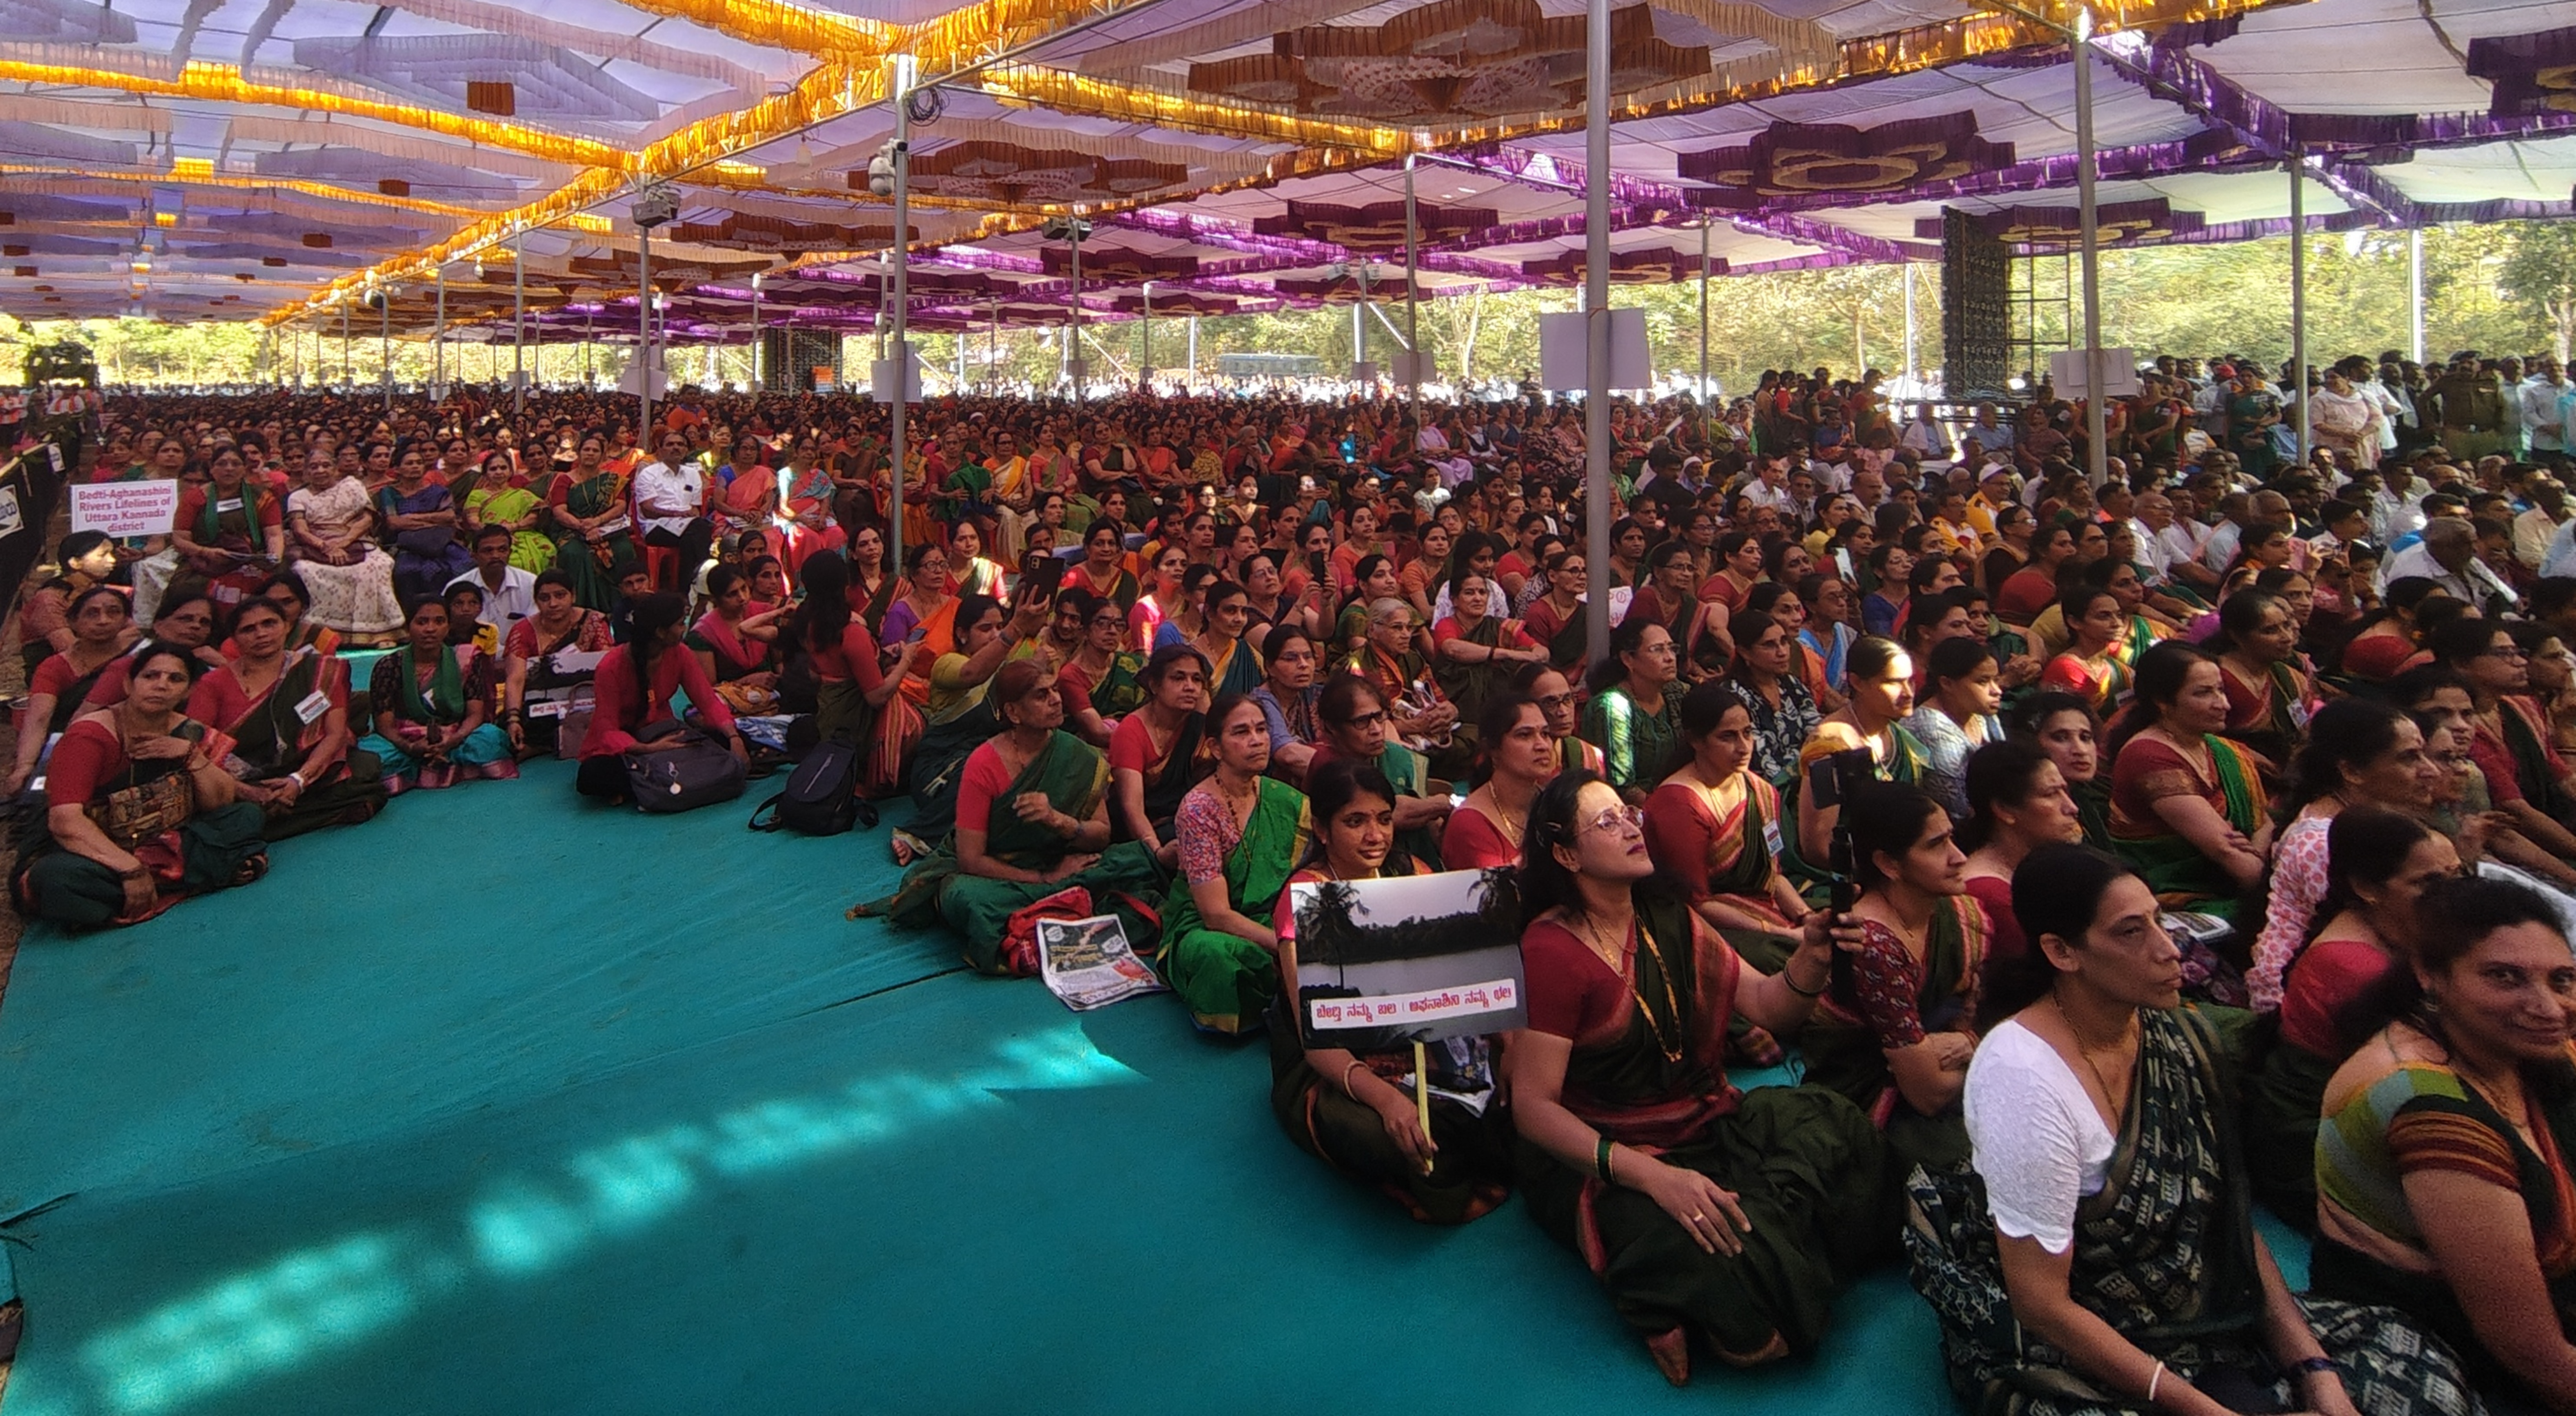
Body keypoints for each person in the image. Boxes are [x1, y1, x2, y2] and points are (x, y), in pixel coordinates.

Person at [1907, 843, 2478, 1416]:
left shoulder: (2174, 1037)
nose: (2167, 947)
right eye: (2132, 932)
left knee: (2412, 1363)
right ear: (2062, 951)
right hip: (2080, 1339)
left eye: (2159, 919)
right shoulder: (2022, 1076)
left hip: (2204, 1312)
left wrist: (2314, 1369)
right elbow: (2041, 1303)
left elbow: (2223, 1219)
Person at [1512, 770, 1892, 1383]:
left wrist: (1814, 956)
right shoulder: (1551, 951)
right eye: (1605, 822)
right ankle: (1664, 1291)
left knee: (1839, 1126)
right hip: (1604, 1150)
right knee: (1758, 1330)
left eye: (1625, 813)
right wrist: (1657, 1178)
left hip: (1705, 1118)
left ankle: (1764, 1252)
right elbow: (1532, 1108)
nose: (1630, 826)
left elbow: (1771, 1006)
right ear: (1565, 853)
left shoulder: (1669, 918)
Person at [2308, 874, 2576, 1412]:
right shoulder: (2428, 1106)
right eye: (2506, 977)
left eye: (2563, 980)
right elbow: (2530, 1352)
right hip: (2459, 1354)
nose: (2548, 1005)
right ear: (2431, 975)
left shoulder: (2528, 1052)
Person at [1268, 757, 1509, 1224]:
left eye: (1383, 819)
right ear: (1322, 829)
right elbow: (1318, 1043)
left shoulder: (1413, 872)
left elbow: (1471, 974)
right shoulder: (1306, 903)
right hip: (1339, 1062)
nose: (1375, 835)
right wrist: (1388, 1100)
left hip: (1430, 1040)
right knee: (1384, 1133)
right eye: (1354, 822)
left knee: (1524, 1083)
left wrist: (1511, 1043)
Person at [855, 659, 1165, 973]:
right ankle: (1061, 905)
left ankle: (1049, 910)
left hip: (1063, 860)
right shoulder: (983, 764)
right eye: (1041, 695)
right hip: (1003, 872)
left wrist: (1058, 821)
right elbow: (971, 860)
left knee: (1138, 863)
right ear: (1014, 712)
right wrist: (1045, 879)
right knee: (962, 897)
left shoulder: (1080, 755)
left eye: (1056, 690)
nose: (1057, 699)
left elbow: (1102, 834)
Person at [2244, 809, 2459, 1233]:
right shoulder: (2351, 967)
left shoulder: (2401, 934)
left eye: (2456, 875)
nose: (2451, 894)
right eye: (2429, 883)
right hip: (2313, 1152)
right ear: (2366, 888)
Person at [9, 640, 268, 929]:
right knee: (55, 878)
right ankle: (196, 876)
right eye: (150, 676)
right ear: (129, 685)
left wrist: (190, 755)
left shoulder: (187, 730)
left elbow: (219, 803)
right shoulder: (90, 736)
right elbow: (65, 822)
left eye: (176, 679)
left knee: (246, 817)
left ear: (190, 690)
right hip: (98, 850)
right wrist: (130, 869)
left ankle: (154, 887)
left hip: (162, 840)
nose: (162, 685)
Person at [1801, 781, 1988, 1172]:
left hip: (1941, 1068)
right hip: (1872, 1098)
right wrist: (1985, 1056)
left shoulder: (1962, 914)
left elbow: (1984, 1006)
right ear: (1889, 864)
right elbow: (1928, 1093)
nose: (1958, 857)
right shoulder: (1873, 946)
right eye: (1936, 846)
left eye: (1952, 839)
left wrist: (1969, 1042)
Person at [2248, 700, 2442, 1012]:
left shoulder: (2373, 820)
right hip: (2305, 999)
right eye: (2409, 758)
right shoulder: (2319, 843)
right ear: (2351, 771)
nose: (2431, 771)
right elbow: (2395, 927)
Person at [1157, 692, 1310, 1034]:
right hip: (1207, 923)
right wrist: (1287, 945)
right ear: (1216, 748)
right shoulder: (1199, 809)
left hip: (1270, 914)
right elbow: (1216, 915)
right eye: (1241, 733)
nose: (1256, 740)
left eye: (1261, 729)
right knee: (1218, 958)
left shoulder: (1280, 796)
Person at [186, 596, 384, 839]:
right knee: (237, 814)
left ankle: (277, 812)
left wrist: (298, 780)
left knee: (366, 767)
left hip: (302, 770)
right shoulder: (213, 684)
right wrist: (248, 791)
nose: (261, 634)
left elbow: (335, 733)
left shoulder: (322, 669)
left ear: (287, 626)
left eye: (269, 624)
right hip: (240, 780)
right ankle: (285, 813)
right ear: (234, 640)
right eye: (249, 629)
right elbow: (196, 751)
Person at [2105, 641, 2272, 927]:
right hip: (2176, 899)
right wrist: (2281, 898)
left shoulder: (2223, 750)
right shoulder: (2149, 757)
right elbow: (2227, 851)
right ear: (2163, 702)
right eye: (2204, 693)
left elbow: (2264, 824)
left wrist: (2255, 851)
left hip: (2243, 876)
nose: (2224, 704)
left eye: (2220, 690)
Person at [1644, 680, 1812, 962]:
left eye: (1748, 733)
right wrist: (1777, 931)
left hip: (1763, 911)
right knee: (1782, 960)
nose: (1744, 747)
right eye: (1728, 737)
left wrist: (1806, 918)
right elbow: (1697, 902)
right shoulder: (1678, 804)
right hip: (1702, 925)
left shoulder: (1760, 792)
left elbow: (1773, 876)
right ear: (1696, 741)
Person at [573, 592, 746, 802]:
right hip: (626, 743)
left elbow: (708, 702)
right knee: (592, 775)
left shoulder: (681, 653)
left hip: (663, 732)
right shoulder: (610, 668)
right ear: (661, 632)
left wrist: (733, 737)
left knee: (730, 738)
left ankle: (650, 784)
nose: (685, 629)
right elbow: (607, 728)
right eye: (681, 624)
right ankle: (672, 779)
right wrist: (648, 749)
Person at [359, 598, 517, 794]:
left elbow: (475, 714)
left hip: (454, 735)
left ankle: (423, 767)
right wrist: (410, 747)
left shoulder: (464, 659)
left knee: (491, 738)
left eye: (439, 621)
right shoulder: (389, 666)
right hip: (406, 738)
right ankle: (441, 766)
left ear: (448, 627)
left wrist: (452, 741)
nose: (430, 629)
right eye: (422, 622)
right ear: (409, 627)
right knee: (372, 754)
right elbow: (384, 725)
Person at [1797, 635, 1928, 866]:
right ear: (1857, 683)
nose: (1908, 693)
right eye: (1894, 682)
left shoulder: (1898, 736)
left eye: (1911, 681)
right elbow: (1817, 846)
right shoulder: (1829, 746)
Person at [1959, 738, 2085, 966]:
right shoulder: (1990, 896)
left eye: (2065, 792)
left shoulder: (2036, 871)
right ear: (2004, 810)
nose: (2072, 808)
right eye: (2050, 795)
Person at [1310, 672, 1450, 867]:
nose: (1376, 729)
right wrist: (1441, 803)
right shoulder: (1327, 765)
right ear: (1332, 727)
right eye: (1362, 722)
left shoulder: (1394, 756)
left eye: (1379, 717)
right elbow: (1391, 812)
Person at [7, 585, 133, 795]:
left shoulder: (142, 658)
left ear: (126, 619)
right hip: (71, 743)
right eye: (92, 614)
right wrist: (25, 767)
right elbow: (39, 717)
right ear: (73, 622)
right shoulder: (55, 666)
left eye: (114, 612)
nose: (103, 621)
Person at [788, 553, 915, 748]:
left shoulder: (813, 626)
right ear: (846, 586)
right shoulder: (851, 633)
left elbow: (815, 675)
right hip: (855, 729)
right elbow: (877, 697)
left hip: (828, 720)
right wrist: (906, 660)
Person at [1107, 643, 1209, 867]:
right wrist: (1157, 852)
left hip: (1185, 822)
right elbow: (1132, 808)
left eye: (1197, 680)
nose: (1190, 687)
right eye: (1179, 678)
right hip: (1141, 835)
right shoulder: (1131, 731)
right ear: (1154, 685)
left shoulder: (1200, 727)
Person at [285, 450, 404, 637]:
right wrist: (326, 547)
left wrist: (343, 542)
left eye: (326, 465)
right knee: (303, 569)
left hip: (355, 541)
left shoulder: (352, 487)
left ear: (335, 468)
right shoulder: (298, 496)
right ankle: (323, 633)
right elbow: (300, 530)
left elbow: (367, 520)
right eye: (314, 467)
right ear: (307, 471)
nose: (320, 470)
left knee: (380, 565)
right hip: (317, 547)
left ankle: (376, 633)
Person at [1441, 691, 1553, 870]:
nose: (1542, 745)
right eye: (1525, 735)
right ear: (1492, 748)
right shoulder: (1469, 824)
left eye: (1546, 734)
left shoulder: (1555, 804)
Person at [1581, 615, 1682, 798]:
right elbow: (1623, 787)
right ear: (1628, 659)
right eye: (1657, 650)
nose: (1669, 658)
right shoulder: (1614, 706)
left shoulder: (1676, 694)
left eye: (1672, 649)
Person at [1905, 637, 2005, 822]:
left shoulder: (1983, 714)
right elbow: (1959, 807)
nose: (1996, 690)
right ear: (1947, 684)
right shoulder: (1932, 731)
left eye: (1996, 680)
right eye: (1983, 682)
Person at [173, 445, 286, 608]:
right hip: (207, 561)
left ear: (244, 468)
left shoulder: (262, 496)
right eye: (222, 464)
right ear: (212, 469)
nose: (229, 469)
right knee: (189, 589)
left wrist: (274, 557)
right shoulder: (195, 498)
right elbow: (179, 539)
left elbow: (274, 534)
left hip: (253, 557)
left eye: (236, 464)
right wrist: (206, 552)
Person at [2210, 589, 2314, 764]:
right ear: (2236, 636)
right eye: (2270, 631)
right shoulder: (2215, 678)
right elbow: (2197, 735)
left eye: (2287, 626)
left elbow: (2302, 728)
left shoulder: (2290, 677)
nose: (2287, 637)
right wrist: (2247, 757)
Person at [545, 433, 639, 611]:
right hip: (571, 529)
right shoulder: (564, 479)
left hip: (606, 528)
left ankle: (623, 607)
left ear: (603, 455)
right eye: (586, 450)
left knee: (624, 549)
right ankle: (580, 607)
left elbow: (620, 506)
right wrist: (582, 526)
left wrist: (597, 522)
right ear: (579, 453)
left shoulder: (612, 479)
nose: (590, 453)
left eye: (595, 450)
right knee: (575, 554)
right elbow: (559, 510)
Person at [377, 444, 472, 603]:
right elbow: (394, 523)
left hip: (441, 544)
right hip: (406, 546)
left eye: (419, 463)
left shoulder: (438, 491)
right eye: (409, 463)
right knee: (406, 571)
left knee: (465, 565)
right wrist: (433, 522)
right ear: (398, 470)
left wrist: (413, 518)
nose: (415, 467)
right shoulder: (390, 493)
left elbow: (449, 517)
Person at [2039, 586, 2135, 715]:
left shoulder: (2120, 669)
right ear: (2075, 622)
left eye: (2119, 615)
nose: (2117, 623)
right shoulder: (2065, 668)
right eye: (2104, 616)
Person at [462, 448, 554, 574]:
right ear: (486, 474)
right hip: (489, 537)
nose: (499, 472)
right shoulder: (477, 495)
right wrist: (499, 533)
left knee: (548, 550)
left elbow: (537, 513)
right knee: (512, 561)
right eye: (493, 469)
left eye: (503, 468)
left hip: (522, 535)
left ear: (511, 472)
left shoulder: (522, 494)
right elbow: (474, 522)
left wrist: (514, 526)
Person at [1249, 622, 1320, 785]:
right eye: (1291, 658)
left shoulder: (1314, 694)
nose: (1303, 665)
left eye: (1308, 657)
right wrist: (1344, 771)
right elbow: (1288, 755)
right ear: (1270, 667)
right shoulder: (1260, 704)